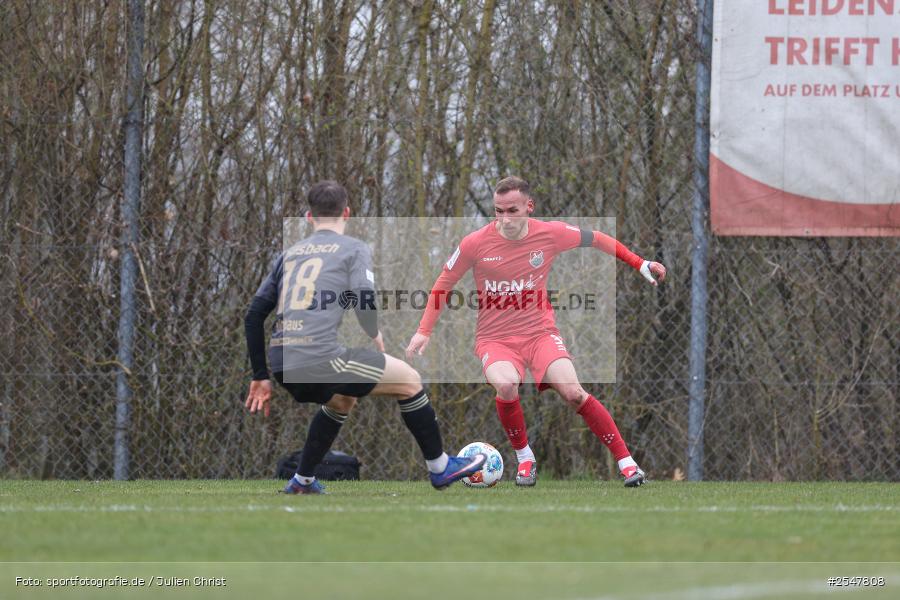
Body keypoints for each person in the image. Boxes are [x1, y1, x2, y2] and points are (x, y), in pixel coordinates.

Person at [405, 176, 666, 487]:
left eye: (512, 210)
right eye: (497, 211)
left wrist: (639, 263)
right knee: (506, 384)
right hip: (496, 340)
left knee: (573, 391)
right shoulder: (475, 243)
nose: (504, 219)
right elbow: (443, 284)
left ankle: (628, 465)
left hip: (540, 334)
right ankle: (525, 459)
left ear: (529, 207)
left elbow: (596, 237)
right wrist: (424, 331)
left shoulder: (550, 234)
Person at [244, 180, 485, 494]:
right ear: (347, 212)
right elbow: (363, 295)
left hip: (282, 363)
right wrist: (374, 333)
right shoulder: (354, 248)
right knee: (410, 380)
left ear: (308, 217)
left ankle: (302, 481)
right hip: (320, 358)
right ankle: (440, 467)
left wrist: (260, 376)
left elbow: (253, 315)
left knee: (342, 400)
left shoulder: (288, 254)